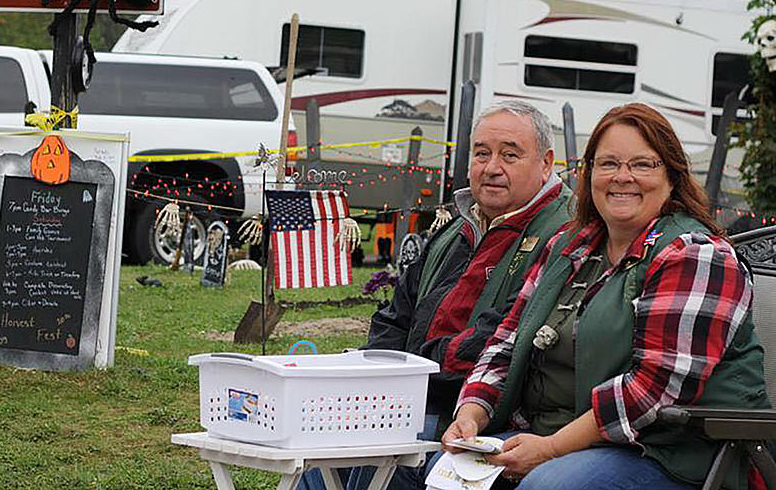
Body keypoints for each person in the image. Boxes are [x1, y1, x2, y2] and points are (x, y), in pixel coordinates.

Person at [434, 103, 770, 490]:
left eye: (642, 165)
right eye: (608, 164)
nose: (622, 178)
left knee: (550, 486)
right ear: (589, 174)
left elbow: (649, 391)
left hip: (673, 456)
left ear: (673, 177)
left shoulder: (695, 255)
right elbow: (507, 343)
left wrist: (550, 449)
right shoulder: (569, 246)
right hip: (556, 443)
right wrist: (471, 414)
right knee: (444, 474)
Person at [298, 100, 573, 490]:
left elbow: (494, 343)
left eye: (510, 155)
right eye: (482, 153)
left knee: (383, 462)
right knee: (320, 458)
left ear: (546, 163)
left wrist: (410, 372)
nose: (492, 167)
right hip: (408, 398)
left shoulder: (561, 238)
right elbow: (395, 315)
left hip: (483, 413)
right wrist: (380, 374)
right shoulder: (453, 230)